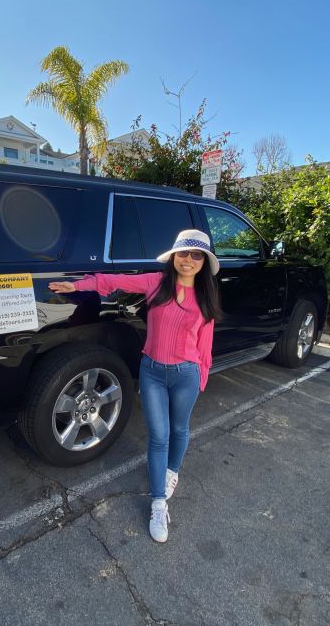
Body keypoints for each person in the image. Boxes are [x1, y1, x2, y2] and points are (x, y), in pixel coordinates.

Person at [49, 229, 221, 543]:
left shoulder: (206, 297)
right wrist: (75, 285)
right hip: (153, 372)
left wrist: (202, 376)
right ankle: (158, 503)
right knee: (159, 435)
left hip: (187, 374)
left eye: (197, 255)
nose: (189, 260)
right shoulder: (156, 283)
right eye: (184, 253)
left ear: (204, 262)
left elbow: (205, 344)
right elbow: (109, 281)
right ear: (174, 256)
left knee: (180, 429)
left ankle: (172, 472)